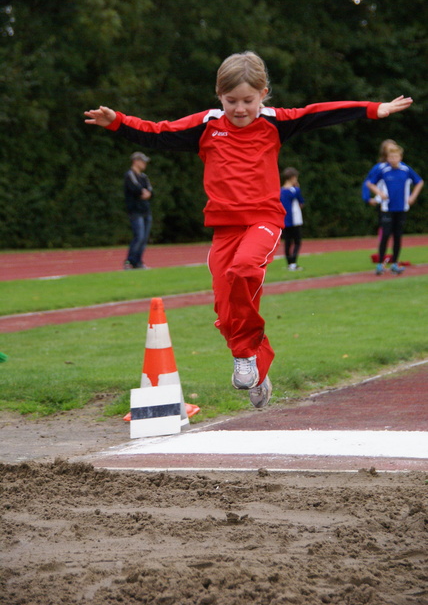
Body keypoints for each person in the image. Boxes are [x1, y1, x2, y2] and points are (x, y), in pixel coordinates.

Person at [84, 50, 412, 408]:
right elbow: (159, 133)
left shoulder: (275, 121)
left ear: (264, 93)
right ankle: (257, 362)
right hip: (224, 228)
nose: (239, 109)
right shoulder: (207, 124)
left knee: (243, 270)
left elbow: (317, 113)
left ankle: (245, 357)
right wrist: (117, 121)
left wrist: (371, 108)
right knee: (226, 310)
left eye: (248, 101)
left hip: (264, 220)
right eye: (231, 101)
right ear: (218, 95)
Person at [365, 144, 424, 275]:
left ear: (400, 157)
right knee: (385, 234)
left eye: (395, 156)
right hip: (387, 208)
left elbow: (419, 182)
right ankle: (380, 263)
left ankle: (395, 263)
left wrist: (412, 196)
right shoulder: (384, 170)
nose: (393, 159)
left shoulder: (406, 169)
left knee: (398, 236)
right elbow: (370, 183)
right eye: (390, 157)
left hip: (402, 208)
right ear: (387, 158)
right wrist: (379, 193)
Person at [123, 151, 153, 269]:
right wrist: (143, 192)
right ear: (136, 161)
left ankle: (138, 262)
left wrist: (147, 193)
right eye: (142, 161)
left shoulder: (144, 177)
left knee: (144, 238)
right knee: (139, 236)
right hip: (135, 211)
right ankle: (129, 262)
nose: (145, 164)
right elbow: (135, 188)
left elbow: (150, 190)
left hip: (145, 210)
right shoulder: (130, 175)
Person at [280, 167, 305, 271]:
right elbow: (301, 202)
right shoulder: (294, 190)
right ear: (292, 178)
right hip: (294, 220)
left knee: (287, 242)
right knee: (297, 241)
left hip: (284, 220)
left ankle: (289, 263)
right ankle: (293, 263)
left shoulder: (280, 191)